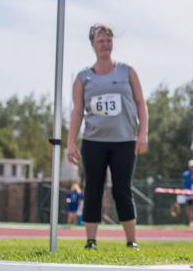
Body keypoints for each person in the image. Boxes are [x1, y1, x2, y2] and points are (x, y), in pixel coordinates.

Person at [66, 24, 149, 250]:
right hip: (94, 142)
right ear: (92, 43)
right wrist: (71, 143)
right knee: (93, 188)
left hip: (125, 140)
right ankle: (90, 240)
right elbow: (77, 111)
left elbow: (141, 104)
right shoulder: (83, 77)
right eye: (101, 40)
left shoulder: (127, 71)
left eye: (108, 40)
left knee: (123, 189)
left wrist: (143, 134)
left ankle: (132, 240)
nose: (105, 44)